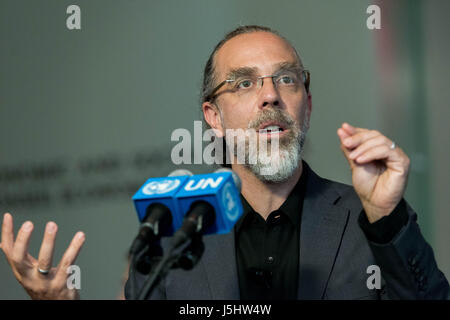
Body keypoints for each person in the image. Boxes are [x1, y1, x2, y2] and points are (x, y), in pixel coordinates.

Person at [1, 25, 449, 300]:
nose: (270, 95)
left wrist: (387, 220)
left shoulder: (370, 221)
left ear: (306, 105)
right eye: (244, 84)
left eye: (286, 79)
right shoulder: (172, 238)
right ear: (213, 117)